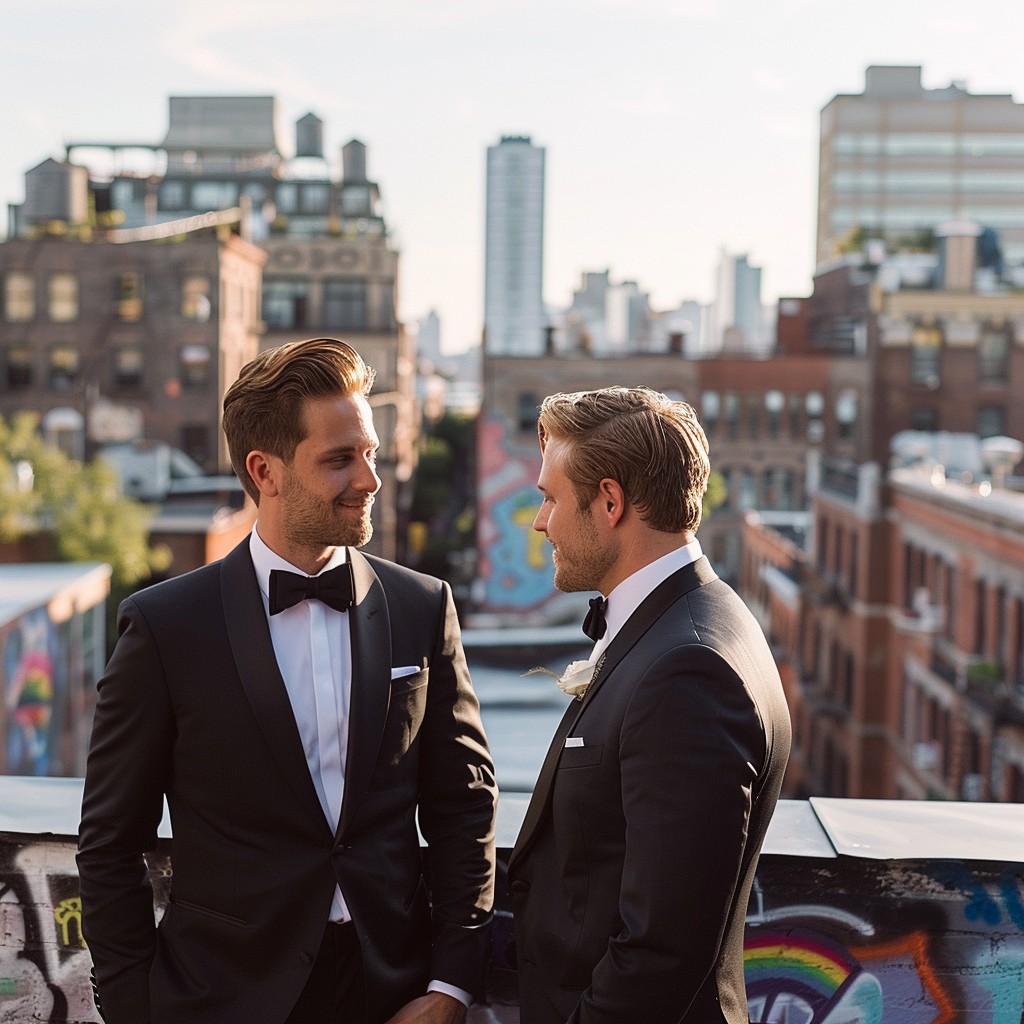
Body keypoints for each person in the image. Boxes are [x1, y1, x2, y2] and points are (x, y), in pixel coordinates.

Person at [78, 337, 497, 1024]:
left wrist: (451, 984)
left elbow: (464, 804)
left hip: (391, 995)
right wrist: (135, 1007)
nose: (370, 478)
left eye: (369, 452)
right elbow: (110, 839)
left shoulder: (423, 608)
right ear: (263, 470)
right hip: (221, 997)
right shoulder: (164, 628)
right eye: (339, 459)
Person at [508, 386, 791, 1023]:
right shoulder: (694, 621)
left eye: (551, 498)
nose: (540, 521)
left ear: (610, 502)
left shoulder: (688, 672)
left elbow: (663, 948)